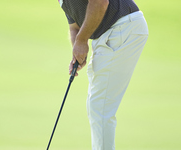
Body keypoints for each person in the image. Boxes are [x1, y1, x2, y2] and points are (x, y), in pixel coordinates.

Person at [58, 0, 149, 149]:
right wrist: (77, 49)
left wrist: (82, 40)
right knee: (96, 105)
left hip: (122, 27)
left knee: (100, 107)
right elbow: (75, 26)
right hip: (111, 33)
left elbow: (100, 3)